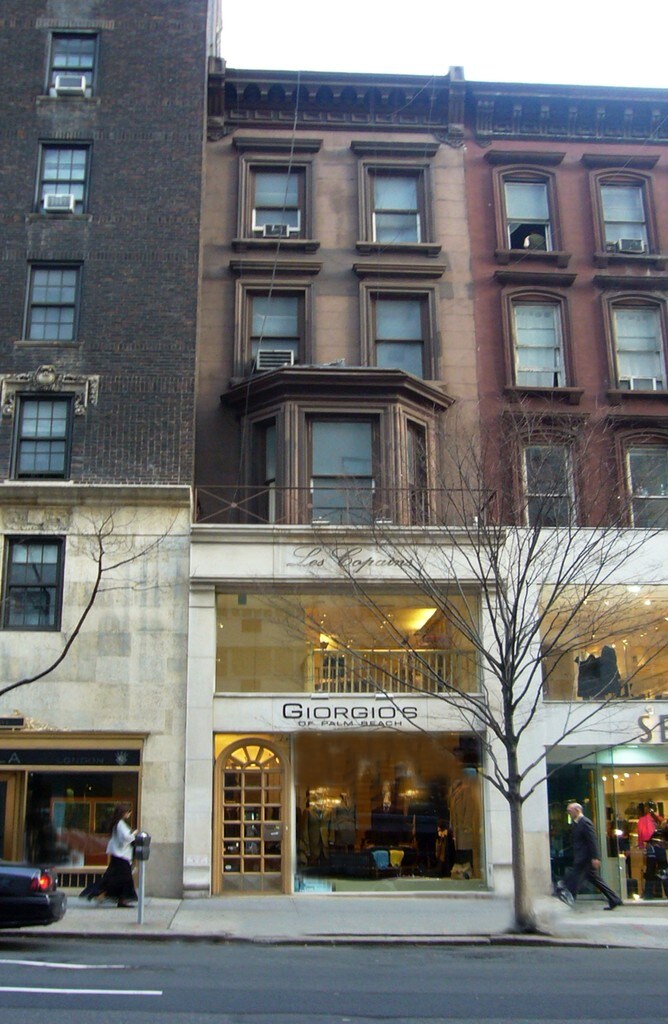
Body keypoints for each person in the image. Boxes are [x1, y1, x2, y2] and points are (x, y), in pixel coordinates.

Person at [556, 802, 622, 910]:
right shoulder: (576, 824)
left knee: (574, 878)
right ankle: (614, 899)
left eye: (570, 811)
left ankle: (569, 898)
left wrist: (595, 857)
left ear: (577, 810)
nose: (569, 813)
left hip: (585, 858)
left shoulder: (585, 822)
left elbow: (592, 840)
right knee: (594, 879)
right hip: (581, 857)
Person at [94, 803, 138, 908]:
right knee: (124, 878)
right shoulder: (120, 824)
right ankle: (104, 893)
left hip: (119, 855)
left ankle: (118, 898)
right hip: (121, 855)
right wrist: (134, 834)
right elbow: (126, 838)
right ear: (123, 812)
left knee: (116, 876)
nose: (129, 814)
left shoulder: (117, 824)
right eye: (128, 812)